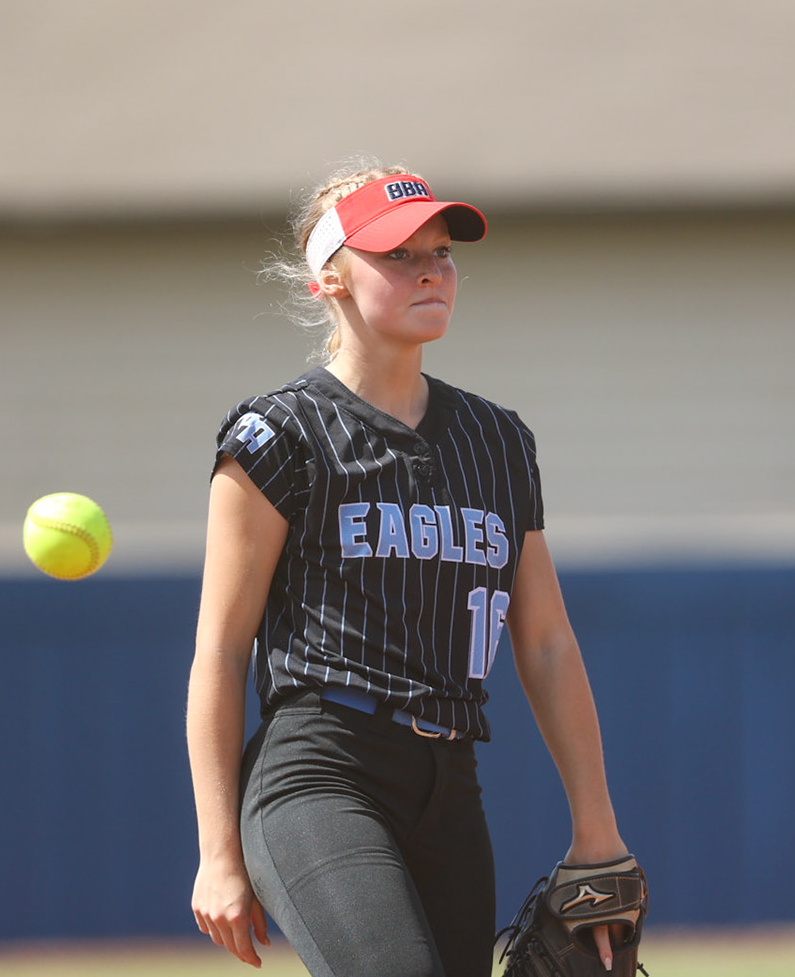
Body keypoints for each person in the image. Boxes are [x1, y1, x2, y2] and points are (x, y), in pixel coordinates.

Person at [187, 165, 636, 977]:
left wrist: (596, 832)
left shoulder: (499, 441)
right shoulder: (277, 435)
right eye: (396, 254)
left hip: (450, 780)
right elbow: (219, 652)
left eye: (441, 251)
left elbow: (545, 643)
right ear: (330, 277)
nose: (430, 268)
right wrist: (217, 851)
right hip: (320, 770)